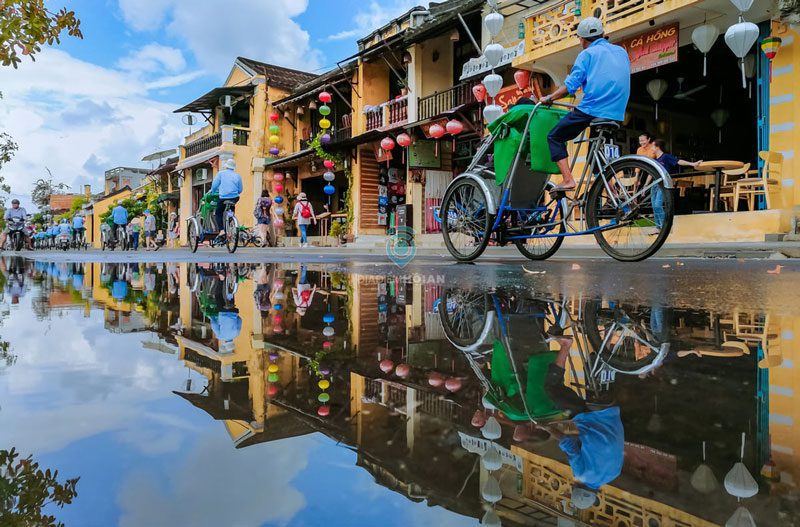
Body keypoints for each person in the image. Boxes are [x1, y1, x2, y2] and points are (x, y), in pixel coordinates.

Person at [541, 17, 630, 191]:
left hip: (594, 108)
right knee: (596, 159)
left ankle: (568, 180)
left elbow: (570, 86)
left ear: (581, 39)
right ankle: (617, 198)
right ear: (603, 34)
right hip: (616, 112)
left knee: (555, 136)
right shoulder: (621, 51)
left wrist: (550, 97)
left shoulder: (587, 54)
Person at [650, 139, 702, 231]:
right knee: (654, 207)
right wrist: (646, 185)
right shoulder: (655, 160)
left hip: (662, 184)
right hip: (654, 184)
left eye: (653, 146)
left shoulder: (665, 157)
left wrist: (692, 164)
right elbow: (651, 173)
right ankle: (657, 227)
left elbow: (678, 161)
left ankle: (664, 227)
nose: (651, 148)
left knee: (658, 205)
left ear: (657, 147)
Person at [210, 158, 243, 237]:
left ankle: (221, 230)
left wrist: (212, 192)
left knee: (218, 212)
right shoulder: (238, 176)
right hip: (234, 197)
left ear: (226, 166)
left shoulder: (221, 173)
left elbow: (214, 185)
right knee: (231, 208)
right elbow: (240, 190)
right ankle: (231, 220)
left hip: (223, 198)